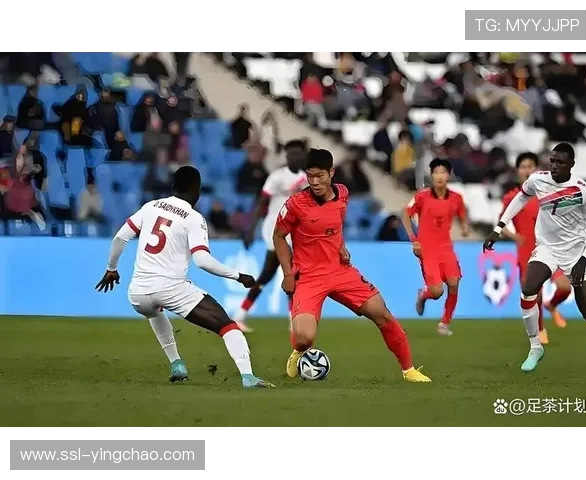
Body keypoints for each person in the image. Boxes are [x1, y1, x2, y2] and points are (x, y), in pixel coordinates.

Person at [94, 165, 275, 389]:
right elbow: (202, 260)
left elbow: (120, 238)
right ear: (197, 190)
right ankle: (248, 377)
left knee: (154, 311)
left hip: (138, 293)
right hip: (170, 289)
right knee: (228, 326)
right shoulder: (193, 218)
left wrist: (111, 268)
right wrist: (238, 276)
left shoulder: (150, 206)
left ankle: (176, 364)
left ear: (173, 186)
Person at [273, 148, 431, 383]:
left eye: (319, 176)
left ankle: (409, 371)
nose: (314, 182)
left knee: (382, 314)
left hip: (340, 270)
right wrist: (288, 274)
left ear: (331, 173)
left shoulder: (343, 194)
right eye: (310, 176)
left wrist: (340, 246)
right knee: (305, 338)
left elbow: (334, 225)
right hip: (308, 276)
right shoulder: (295, 204)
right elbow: (278, 236)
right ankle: (298, 351)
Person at [484, 143, 586, 373]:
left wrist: (584, 259)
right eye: (552, 161)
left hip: (575, 252)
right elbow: (520, 198)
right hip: (546, 248)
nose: (554, 166)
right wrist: (499, 228)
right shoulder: (538, 180)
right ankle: (535, 346)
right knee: (528, 289)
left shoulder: (583, 191)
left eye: (560, 162)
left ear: (571, 165)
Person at [233, 140, 308, 332]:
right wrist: (251, 229)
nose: (295, 157)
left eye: (299, 154)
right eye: (292, 154)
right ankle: (293, 321)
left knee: (269, 273)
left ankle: (239, 315)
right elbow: (262, 202)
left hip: (293, 231)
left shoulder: (305, 179)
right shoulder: (277, 177)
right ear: (287, 156)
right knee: (289, 272)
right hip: (275, 228)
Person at [500, 152, 572, 345]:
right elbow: (501, 224)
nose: (527, 170)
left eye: (530, 166)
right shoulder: (511, 197)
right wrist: (515, 237)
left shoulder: (546, 194)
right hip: (527, 252)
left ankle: (552, 305)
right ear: (517, 171)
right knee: (535, 292)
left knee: (565, 287)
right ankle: (540, 329)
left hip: (550, 248)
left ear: (536, 170)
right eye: (523, 167)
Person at [400, 158, 469, 336]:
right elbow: (405, 214)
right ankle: (424, 295)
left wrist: (464, 227)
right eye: (436, 172)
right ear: (431, 176)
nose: (439, 176)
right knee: (437, 291)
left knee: (454, 283)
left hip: (446, 248)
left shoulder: (456, 198)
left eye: (443, 172)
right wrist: (413, 239)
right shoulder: (421, 196)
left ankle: (444, 323)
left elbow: (462, 213)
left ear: (449, 175)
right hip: (427, 249)